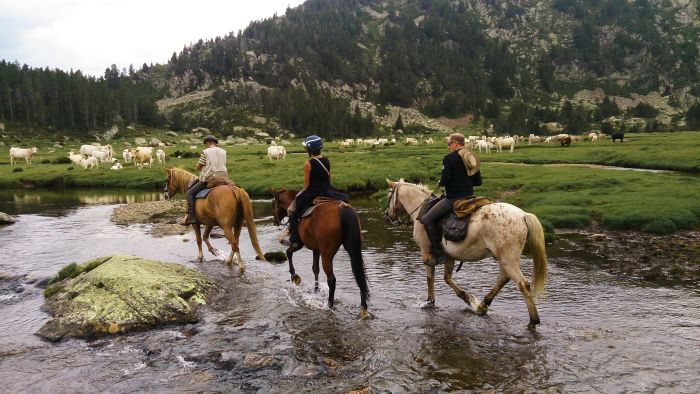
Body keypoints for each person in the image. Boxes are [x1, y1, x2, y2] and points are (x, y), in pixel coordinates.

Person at [419, 133, 482, 266]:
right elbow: (478, 182)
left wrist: (441, 182)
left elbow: (445, 180)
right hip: (470, 197)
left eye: (449, 144)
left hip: (454, 198)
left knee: (426, 219)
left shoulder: (449, 158)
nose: (448, 147)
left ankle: (439, 253)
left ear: (456, 143)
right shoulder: (472, 156)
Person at [287, 135, 348, 248]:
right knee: (344, 200)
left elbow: (306, 185)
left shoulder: (308, 164)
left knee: (292, 210)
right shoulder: (326, 160)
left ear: (310, 150)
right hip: (328, 190)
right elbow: (328, 179)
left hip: (313, 191)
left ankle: (295, 239)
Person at [181, 135, 228, 225]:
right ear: (215, 143)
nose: (206, 145)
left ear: (208, 143)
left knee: (190, 193)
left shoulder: (205, 151)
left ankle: (191, 216)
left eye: (206, 143)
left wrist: (200, 166)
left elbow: (198, 166)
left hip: (209, 178)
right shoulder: (223, 151)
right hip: (224, 177)